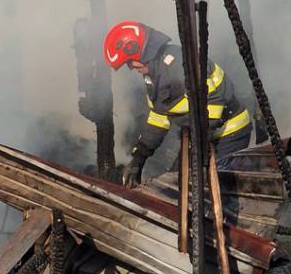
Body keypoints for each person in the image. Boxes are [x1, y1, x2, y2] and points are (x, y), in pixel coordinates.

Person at [103, 21, 252, 188]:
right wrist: (139, 157)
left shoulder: (179, 64)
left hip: (229, 133)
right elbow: (159, 118)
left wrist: (195, 149)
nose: (130, 67)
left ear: (140, 52)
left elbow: (212, 104)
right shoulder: (154, 75)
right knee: (175, 183)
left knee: (210, 190)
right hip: (199, 136)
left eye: (129, 62)